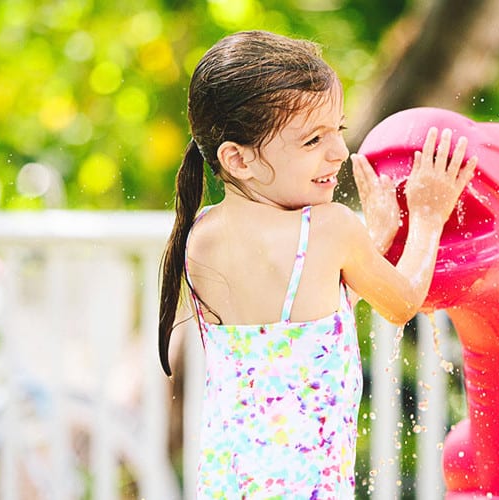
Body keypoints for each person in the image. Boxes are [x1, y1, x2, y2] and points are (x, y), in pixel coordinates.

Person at [155, 30, 477, 498]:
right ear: (238, 159)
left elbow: (310, 308)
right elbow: (404, 301)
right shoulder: (330, 228)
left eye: (337, 131)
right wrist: (427, 216)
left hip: (227, 485)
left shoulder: (200, 236)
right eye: (312, 139)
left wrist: (379, 240)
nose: (338, 152)